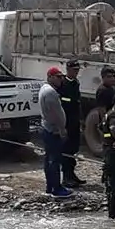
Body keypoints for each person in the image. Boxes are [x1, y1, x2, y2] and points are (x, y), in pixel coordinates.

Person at [38, 67, 72, 199]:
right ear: (50, 77)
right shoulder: (50, 93)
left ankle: (50, 186)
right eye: (58, 77)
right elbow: (55, 114)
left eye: (61, 77)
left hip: (48, 128)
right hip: (53, 130)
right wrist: (61, 128)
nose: (61, 79)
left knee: (50, 159)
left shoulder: (45, 89)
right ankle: (56, 188)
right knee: (54, 160)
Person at [58, 59, 85, 187]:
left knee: (74, 148)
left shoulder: (75, 83)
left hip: (74, 120)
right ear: (68, 70)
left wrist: (81, 119)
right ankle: (66, 176)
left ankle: (72, 174)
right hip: (66, 120)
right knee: (66, 149)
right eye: (74, 70)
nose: (76, 72)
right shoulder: (63, 83)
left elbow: (77, 102)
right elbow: (62, 104)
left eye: (77, 70)